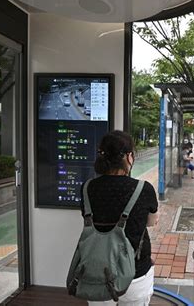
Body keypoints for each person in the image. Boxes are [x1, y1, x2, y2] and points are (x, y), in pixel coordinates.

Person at [81, 130, 158, 306]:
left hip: (95, 272)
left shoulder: (87, 188)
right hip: (135, 272)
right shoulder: (143, 189)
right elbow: (151, 222)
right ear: (129, 157)